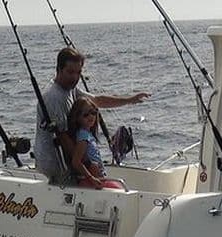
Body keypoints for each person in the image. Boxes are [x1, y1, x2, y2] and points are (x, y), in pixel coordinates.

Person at [34, 47, 150, 182]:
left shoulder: (70, 89)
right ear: (59, 70)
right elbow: (63, 137)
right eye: (70, 72)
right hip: (55, 165)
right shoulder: (53, 97)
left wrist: (130, 100)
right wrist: (88, 166)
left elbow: (97, 101)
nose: (75, 77)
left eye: (78, 73)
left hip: (70, 161)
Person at [67, 97, 122, 189]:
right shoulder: (83, 136)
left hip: (98, 178)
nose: (91, 116)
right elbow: (76, 162)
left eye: (93, 112)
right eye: (86, 114)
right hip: (91, 181)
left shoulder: (88, 135)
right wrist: (91, 178)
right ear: (77, 117)